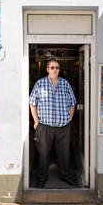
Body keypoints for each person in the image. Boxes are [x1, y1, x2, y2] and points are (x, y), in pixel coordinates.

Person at [29, 57, 77, 188]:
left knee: (64, 153)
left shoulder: (65, 84)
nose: (55, 70)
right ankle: (42, 178)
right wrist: (36, 121)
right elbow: (32, 103)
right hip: (45, 126)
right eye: (52, 67)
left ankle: (65, 175)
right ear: (47, 69)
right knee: (43, 153)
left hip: (63, 126)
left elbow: (72, 103)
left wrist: (70, 118)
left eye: (57, 68)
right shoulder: (40, 83)